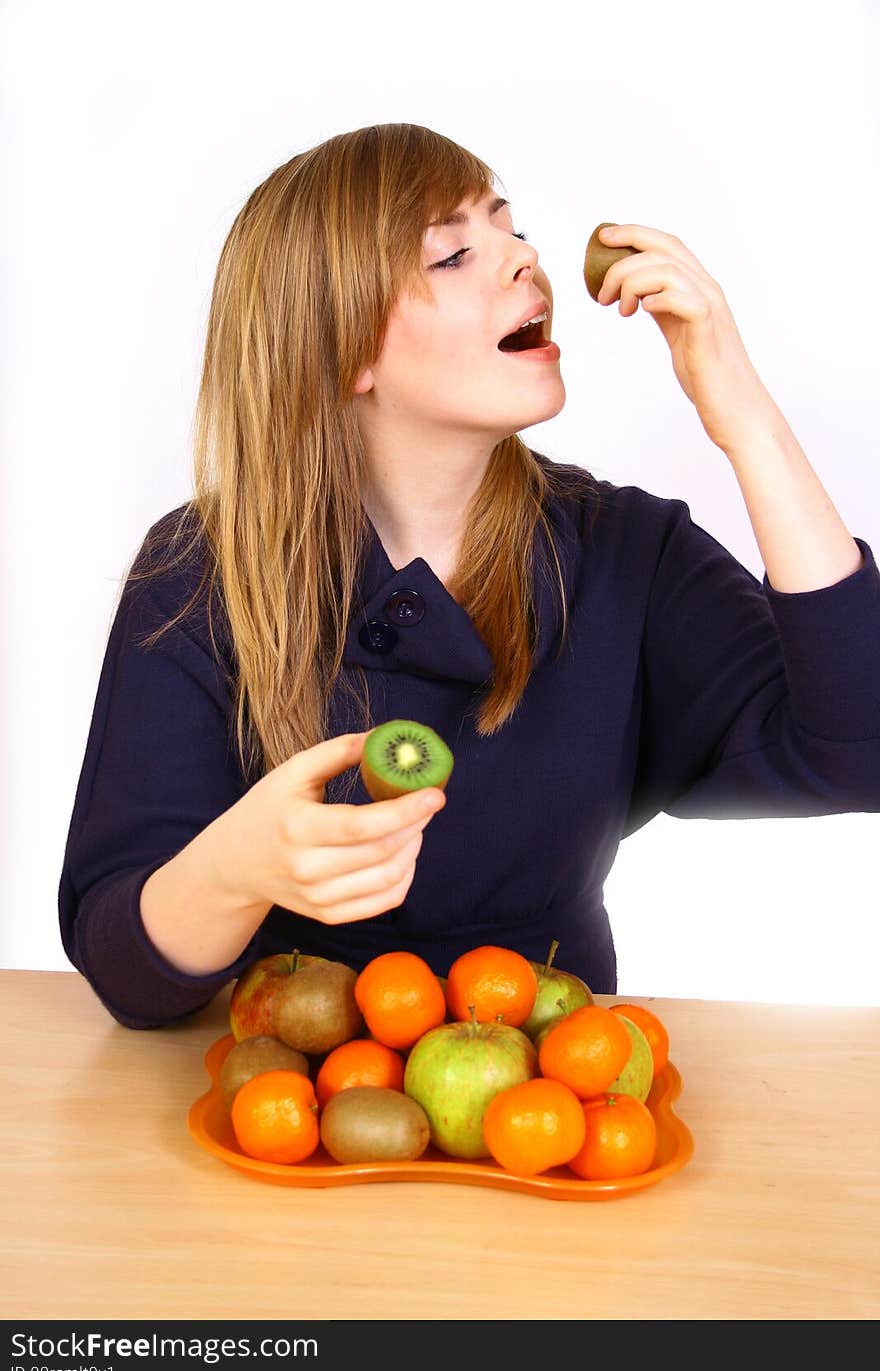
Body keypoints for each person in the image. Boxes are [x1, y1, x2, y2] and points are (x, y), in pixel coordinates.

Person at [58, 123, 880, 1030]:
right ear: (345, 351)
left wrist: (747, 421)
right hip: (287, 1105)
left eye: (511, 227)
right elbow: (123, 970)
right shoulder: (198, 576)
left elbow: (860, 750)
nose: (524, 259)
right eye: (453, 255)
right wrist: (233, 869)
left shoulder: (625, 549)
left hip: (560, 1092)